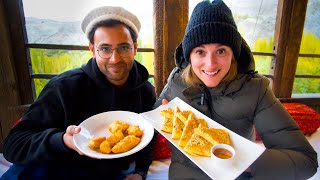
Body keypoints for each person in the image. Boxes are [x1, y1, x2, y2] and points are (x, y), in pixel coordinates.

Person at [153, 0, 318, 179]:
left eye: (221, 51)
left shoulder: (255, 89)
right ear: (189, 55)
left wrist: (247, 161)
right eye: (200, 51)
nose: (210, 64)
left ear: (233, 54)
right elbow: (154, 116)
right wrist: (161, 115)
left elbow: (306, 161)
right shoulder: (177, 79)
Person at [2, 6, 156, 180]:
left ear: (134, 48)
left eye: (123, 47)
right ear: (92, 49)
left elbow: (147, 138)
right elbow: (13, 145)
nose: (115, 59)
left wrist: (140, 172)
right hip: (53, 168)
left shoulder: (145, 91)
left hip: (107, 173)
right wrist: (62, 141)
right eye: (105, 49)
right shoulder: (64, 87)